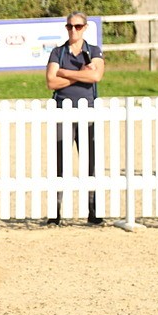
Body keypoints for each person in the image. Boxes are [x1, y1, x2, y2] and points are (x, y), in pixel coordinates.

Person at [45, 12, 105, 226]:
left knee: (90, 161)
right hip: (62, 111)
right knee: (60, 162)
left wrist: (65, 73)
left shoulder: (93, 51)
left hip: (87, 112)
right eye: (70, 26)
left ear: (85, 27)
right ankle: (55, 212)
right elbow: (51, 82)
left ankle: (93, 210)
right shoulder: (58, 52)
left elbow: (96, 76)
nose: (73, 30)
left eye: (78, 26)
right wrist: (80, 73)